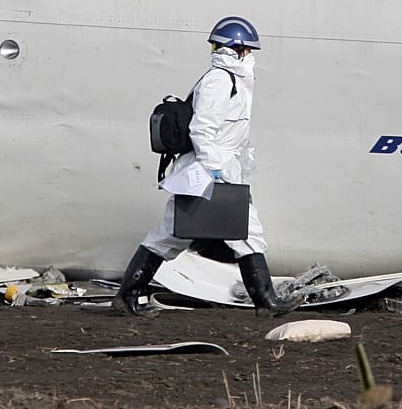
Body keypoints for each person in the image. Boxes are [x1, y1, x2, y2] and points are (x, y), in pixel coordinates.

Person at [113, 16, 299, 318]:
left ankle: (127, 296)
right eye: (247, 50)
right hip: (204, 172)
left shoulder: (233, 81)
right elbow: (201, 130)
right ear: (234, 49)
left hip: (213, 169)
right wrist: (217, 172)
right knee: (231, 233)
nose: (250, 56)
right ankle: (266, 303)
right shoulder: (220, 81)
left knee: (178, 235)